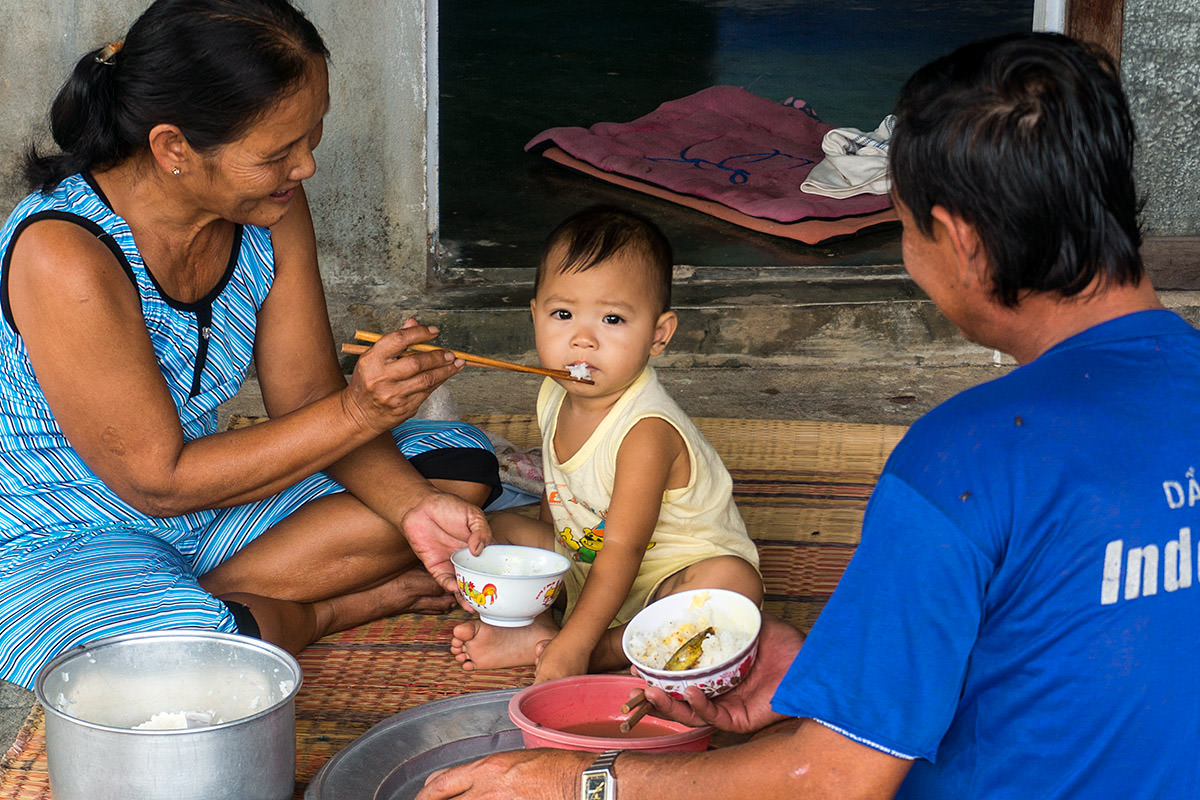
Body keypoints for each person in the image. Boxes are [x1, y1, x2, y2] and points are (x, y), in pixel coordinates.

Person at [417, 31, 1200, 800]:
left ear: (959, 241)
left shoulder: (964, 464)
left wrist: (580, 780)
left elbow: (828, 781)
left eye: (902, 224)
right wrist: (829, 664)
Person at [0, 0, 503, 691]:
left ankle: (204, 599)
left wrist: (413, 509)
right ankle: (305, 610)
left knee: (457, 464)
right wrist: (362, 412)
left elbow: (306, 398)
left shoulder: (267, 211)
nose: (305, 168)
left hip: (208, 511)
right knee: (180, 662)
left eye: (313, 136)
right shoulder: (65, 252)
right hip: (60, 539)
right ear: (173, 147)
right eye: (276, 153)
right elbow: (158, 479)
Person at [449, 206, 763, 683]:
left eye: (612, 319)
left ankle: (598, 650)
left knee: (732, 588)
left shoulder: (645, 431)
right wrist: (545, 569)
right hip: (586, 560)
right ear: (534, 316)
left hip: (666, 578)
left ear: (658, 335)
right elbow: (557, 495)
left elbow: (623, 547)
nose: (582, 340)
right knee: (488, 534)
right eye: (562, 314)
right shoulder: (554, 392)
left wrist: (578, 641)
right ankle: (536, 630)